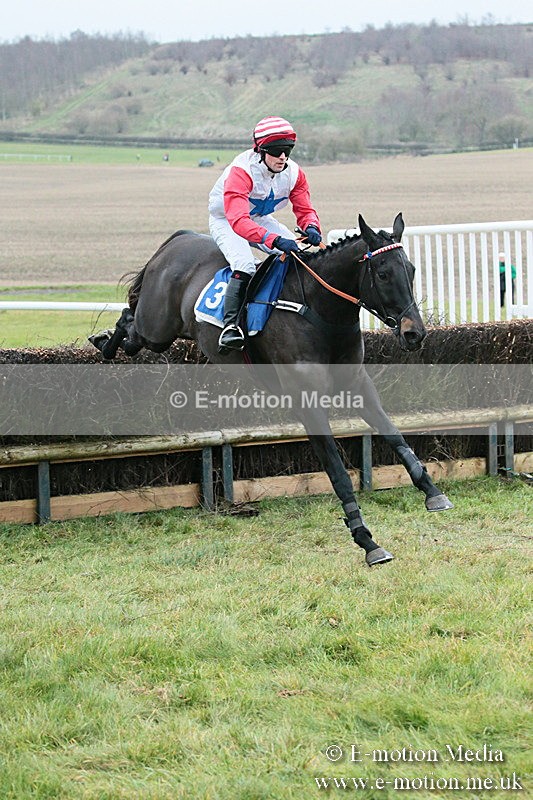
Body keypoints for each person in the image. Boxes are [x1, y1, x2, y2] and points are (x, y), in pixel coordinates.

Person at [208, 116, 322, 351]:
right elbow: (239, 222)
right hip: (227, 221)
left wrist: (312, 227)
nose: (283, 157)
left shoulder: (294, 174)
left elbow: (305, 209)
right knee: (245, 265)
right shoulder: (241, 172)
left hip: (258, 219)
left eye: (287, 151)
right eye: (277, 151)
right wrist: (276, 240)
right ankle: (230, 327)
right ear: (260, 150)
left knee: (299, 254)